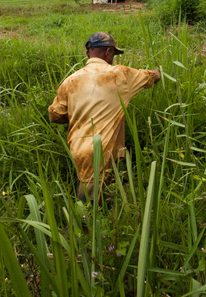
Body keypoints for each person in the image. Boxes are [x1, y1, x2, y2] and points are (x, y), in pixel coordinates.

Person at [48, 32, 161, 201]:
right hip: (101, 149)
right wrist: (159, 72)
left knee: (103, 195)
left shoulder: (70, 81)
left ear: (88, 53)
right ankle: (79, 225)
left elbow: (54, 115)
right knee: (88, 208)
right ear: (108, 53)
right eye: (114, 54)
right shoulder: (121, 75)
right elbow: (152, 76)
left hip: (78, 148)